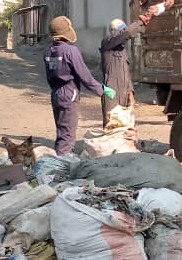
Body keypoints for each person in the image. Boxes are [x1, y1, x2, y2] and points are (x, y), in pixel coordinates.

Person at [44, 15, 116, 155]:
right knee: (68, 135)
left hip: (55, 93)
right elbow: (85, 76)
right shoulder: (71, 51)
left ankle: (59, 160)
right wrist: (102, 89)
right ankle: (62, 166)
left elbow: (49, 76)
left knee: (61, 131)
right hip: (69, 93)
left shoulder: (48, 51)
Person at [100, 18, 136, 126]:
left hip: (124, 93)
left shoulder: (122, 51)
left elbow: (126, 73)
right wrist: (139, 23)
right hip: (111, 93)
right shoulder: (107, 41)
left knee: (124, 125)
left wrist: (130, 93)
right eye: (122, 31)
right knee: (111, 124)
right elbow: (126, 34)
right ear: (114, 31)